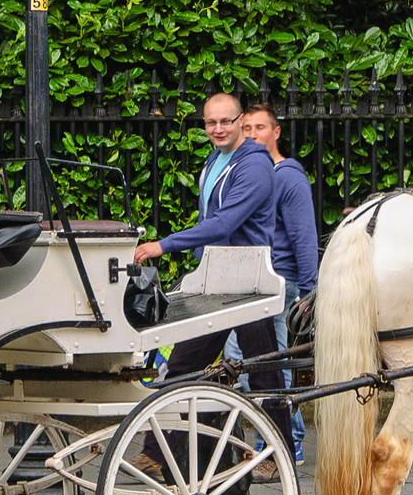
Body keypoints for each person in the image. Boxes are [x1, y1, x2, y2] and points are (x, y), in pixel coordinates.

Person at [131, 92, 288, 392]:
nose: (218, 129)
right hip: (219, 280)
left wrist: (163, 245)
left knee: (261, 376)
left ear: (241, 122)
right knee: (190, 370)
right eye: (211, 123)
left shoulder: (254, 166)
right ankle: (198, 436)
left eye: (226, 121)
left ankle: (279, 439)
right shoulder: (217, 158)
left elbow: (223, 223)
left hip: (247, 283)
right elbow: (212, 218)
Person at [238, 104, 319, 467]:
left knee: (269, 363)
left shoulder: (288, 177)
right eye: (248, 128)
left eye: (260, 127)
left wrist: (309, 290)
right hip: (254, 281)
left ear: (276, 132)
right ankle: (285, 440)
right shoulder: (251, 173)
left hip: (279, 282)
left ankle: (290, 441)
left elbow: (304, 235)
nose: (253, 133)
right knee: (257, 363)